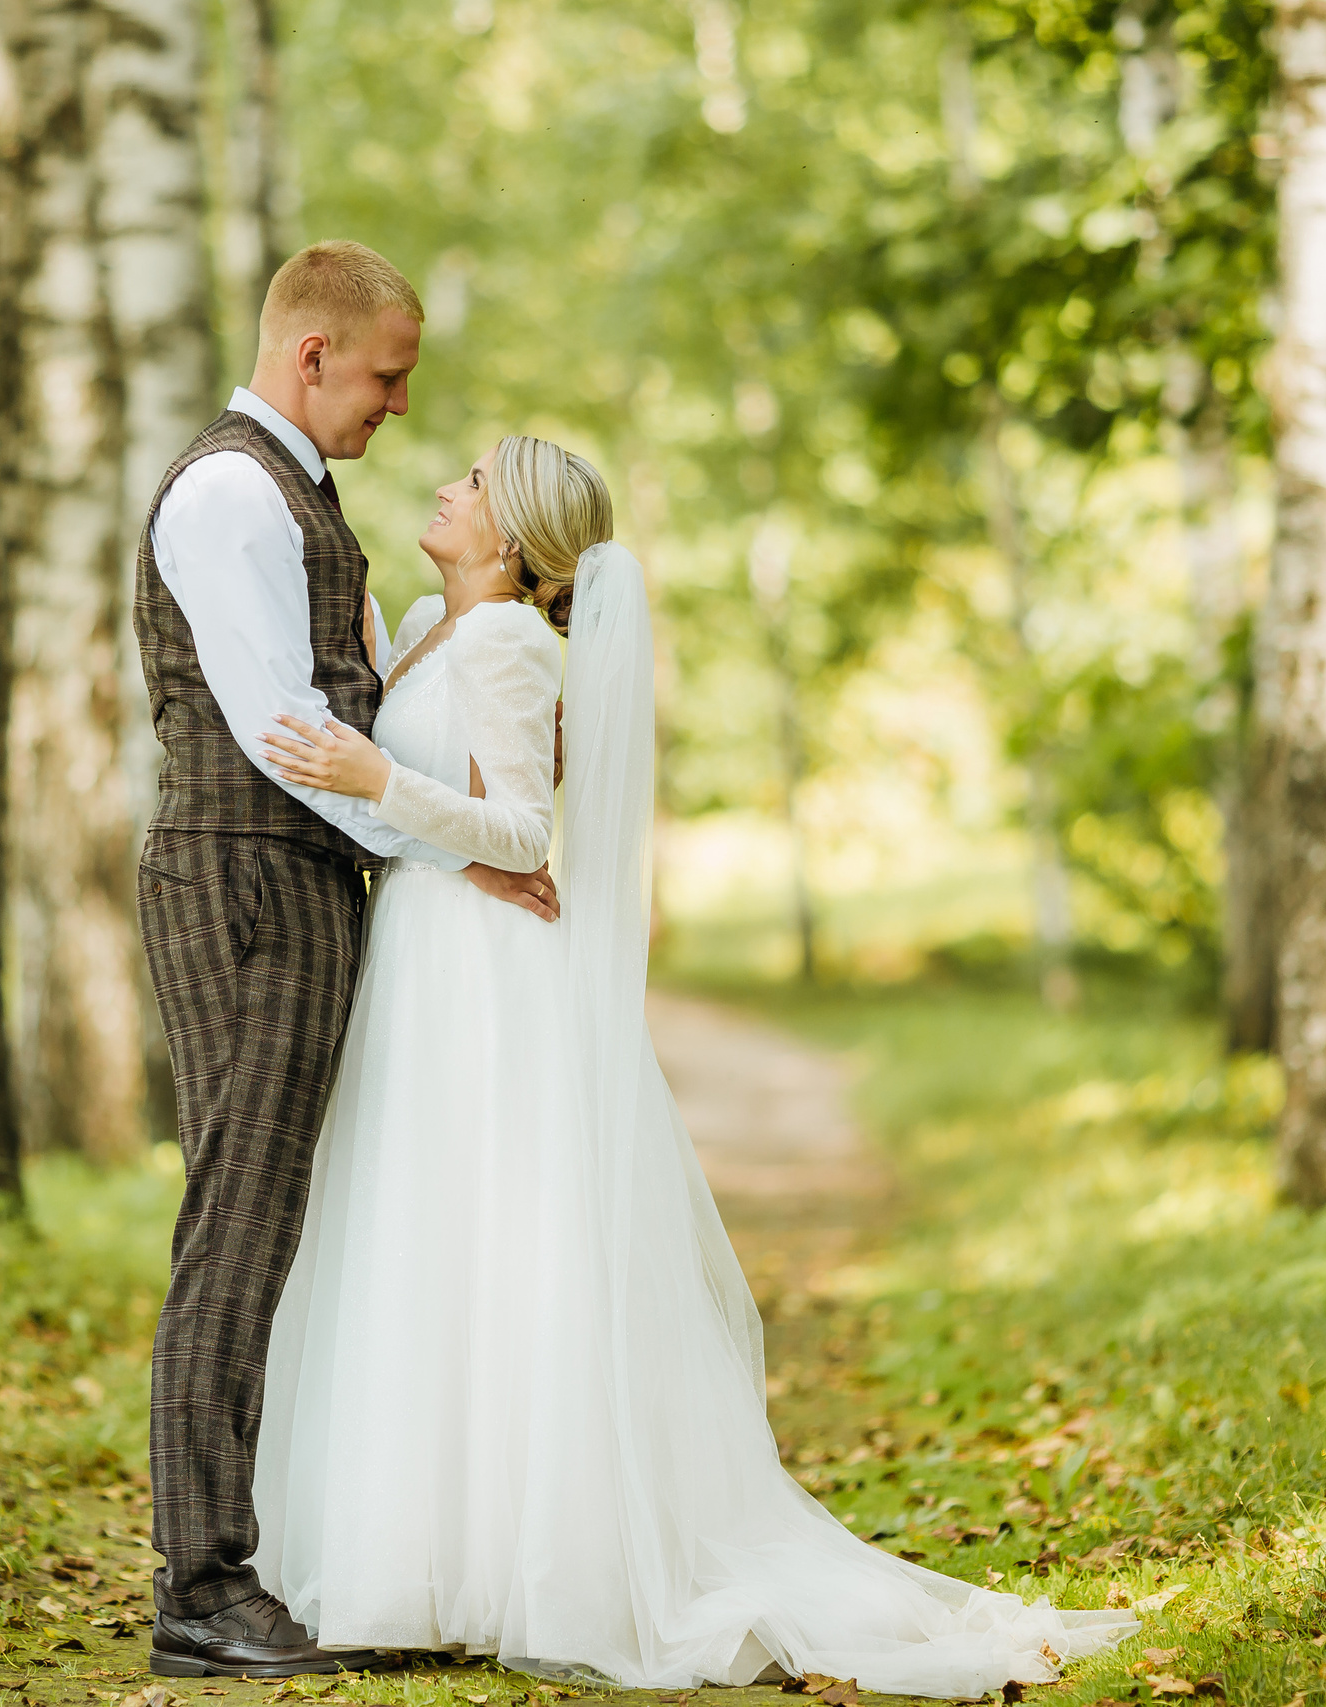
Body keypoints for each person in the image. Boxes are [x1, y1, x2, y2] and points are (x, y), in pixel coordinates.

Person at [250, 436, 1139, 1696]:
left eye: (474, 480)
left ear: (507, 542)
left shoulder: (506, 645)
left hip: (482, 970)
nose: (447, 483)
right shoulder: (437, 635)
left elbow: (516, 826)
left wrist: (373, 773)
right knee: (429, 1235)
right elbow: (455, 799)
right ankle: (425, 1553)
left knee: (491, 1236)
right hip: (427, 953)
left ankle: (515, 1555)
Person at [130, 240, 553, 1680]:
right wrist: (458, 850)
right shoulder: (229, 492)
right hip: (245, 879)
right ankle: (202, 1582)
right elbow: (286, 738)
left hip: (297, 886)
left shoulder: (300, 492)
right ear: (313, 355)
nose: (397, 406)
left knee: (266, 1219)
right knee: (237, 1224)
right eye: (384, 374)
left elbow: (352, 699)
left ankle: (233, 1560)